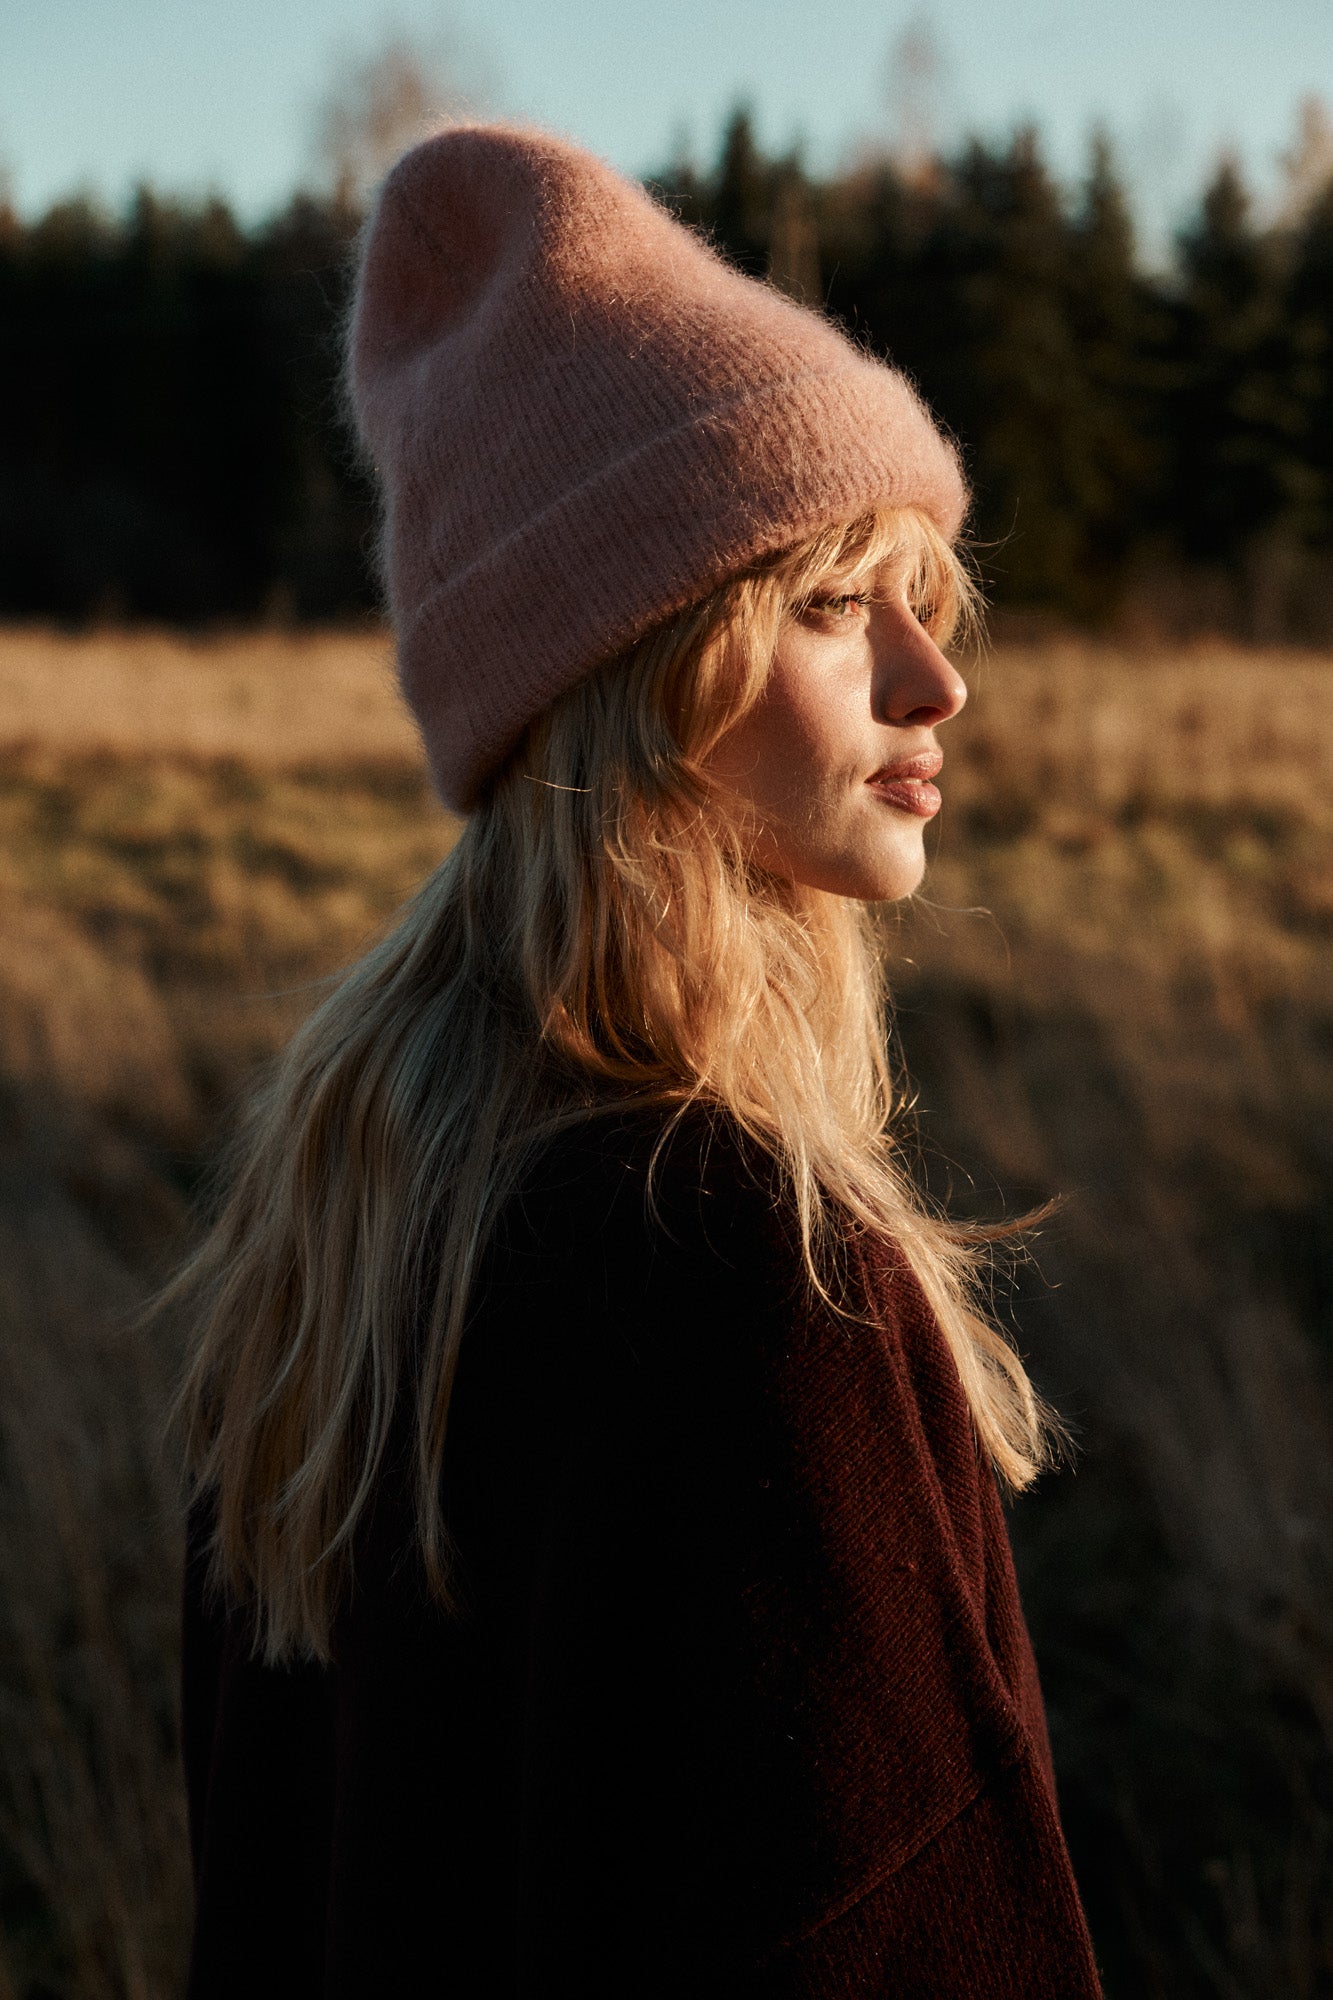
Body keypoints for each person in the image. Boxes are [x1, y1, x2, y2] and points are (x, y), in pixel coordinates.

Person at [168, 122, 1105, 1997]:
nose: (936, 684)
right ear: (638, 670)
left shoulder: (341, 1243)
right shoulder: (742, 1270)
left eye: (926, 598)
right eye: (835, 607)